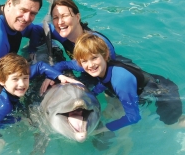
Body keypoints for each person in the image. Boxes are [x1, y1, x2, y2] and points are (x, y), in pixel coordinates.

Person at [53, 32, 183, 132]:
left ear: (105, 55)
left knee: (171, 124)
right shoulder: (86, 64)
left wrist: (101, 129)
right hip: (138, 84)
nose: (90, 65)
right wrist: (58, 77)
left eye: (94, 58)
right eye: (84, 61)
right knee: (109, 111)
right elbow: (62, 65)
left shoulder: (120, 80)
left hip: (161, 91)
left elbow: (133, 117)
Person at [33, 0, 116, 94]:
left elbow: (109, 76)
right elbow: (36, 28)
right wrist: (32, 51)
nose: (60, 22)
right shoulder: (61, 33)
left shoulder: (98, 44)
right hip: (86, 71)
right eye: (55, 17)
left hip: (106, 74)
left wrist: (91, 95)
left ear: (77, 17)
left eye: (65, 16)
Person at [0, 53, 81, 130]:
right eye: (15, 79)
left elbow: (40, 66)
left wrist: (60, 76)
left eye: (25, 78)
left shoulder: (14, 79)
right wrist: (17, 120)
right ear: (1, 80)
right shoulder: (3, 106)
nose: (22, 84)